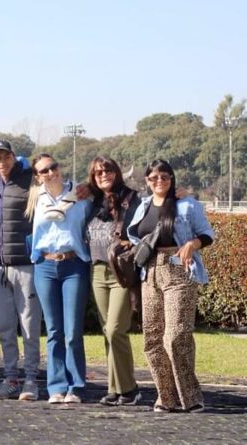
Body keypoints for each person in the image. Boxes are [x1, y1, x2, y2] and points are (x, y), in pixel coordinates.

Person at [127, 159, 214, 414]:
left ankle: (191, 396)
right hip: (150, 271)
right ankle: (166, 396)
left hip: (179, 268)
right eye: (153, 177)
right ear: (147, 180)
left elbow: (207, 234)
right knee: (152, 337)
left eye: (164, 177)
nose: (159, 181)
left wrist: (192, 244)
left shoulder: (186, 204)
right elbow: (136, 234)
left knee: (176, 335)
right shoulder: (143, 205)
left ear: (171, 178)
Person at [28, 153, 91, 404]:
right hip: (45, 265)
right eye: (43, 171)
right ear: (37, 176)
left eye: (53, 167)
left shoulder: (79, 194)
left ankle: (75, 386)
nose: (50, 173)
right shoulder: (35, 197)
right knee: (54, 330)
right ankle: (56, 386)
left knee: (72, 330)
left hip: (73, 264)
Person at [85, 156, 142, 406]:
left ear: (116, 172)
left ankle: (129, 389)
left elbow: (147, 225)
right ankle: (114, 388)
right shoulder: (92, 201)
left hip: (121, 271)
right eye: (98, 173)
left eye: (107, 170)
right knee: (107, 331)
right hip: (97, 270)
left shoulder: (132, 199)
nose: (103, 175)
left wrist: (132, 242)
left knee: (115, 329)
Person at [0, 140, 42, 401]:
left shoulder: (30, 179)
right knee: (6, 328)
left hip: (25, 265)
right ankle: (10, 378)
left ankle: (31, 379)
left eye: (6, 157)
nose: (2, 163)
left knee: (29, 326)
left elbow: (58, 186)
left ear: (13, 157)